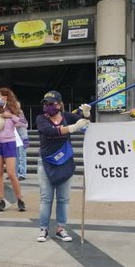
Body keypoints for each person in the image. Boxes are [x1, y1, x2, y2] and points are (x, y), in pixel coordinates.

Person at [35, 90, 90, 242]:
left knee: (63, 198)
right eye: (45, 103)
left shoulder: (67, 117)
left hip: (65, 161)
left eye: (51, 103)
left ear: (59, 104)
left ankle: (61, 228)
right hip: (46, 161)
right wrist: (72, 128)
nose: (47, 106)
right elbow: (49, 132)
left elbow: (85, 124)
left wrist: (85, 114)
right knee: (46, 198)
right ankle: (43, 229)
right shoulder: (41, 118)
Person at [0, 87, 27, 212]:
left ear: (5, 97)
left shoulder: (15, 110)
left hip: (9, 142)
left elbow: (24, 123)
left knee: (11, 173)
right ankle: (1, 200)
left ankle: (20, 199)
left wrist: (11, 116)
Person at [16, 101, 29, 181]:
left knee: (22, 156)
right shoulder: (12, 114)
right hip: (15, 138)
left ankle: (22, 174)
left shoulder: (20, 114)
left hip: (22, 137)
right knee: (16, 156)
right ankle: (16, 172)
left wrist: (18, 124)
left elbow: (25, 124)